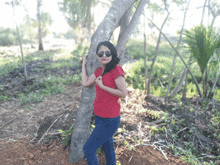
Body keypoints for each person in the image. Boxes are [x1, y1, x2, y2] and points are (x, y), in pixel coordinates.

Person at [82, 41, 128, 165]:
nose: (104, 55)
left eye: (107, 53)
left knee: (88, 149)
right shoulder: (98, 71)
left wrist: (102, 86)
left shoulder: (116, 70)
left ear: (112, 54)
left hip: (110, 119)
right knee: (108, 149)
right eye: (101, 53)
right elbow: (85, 83)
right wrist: (83, 64)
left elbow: (124, 93)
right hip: (99, 116)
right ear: (97, 56)